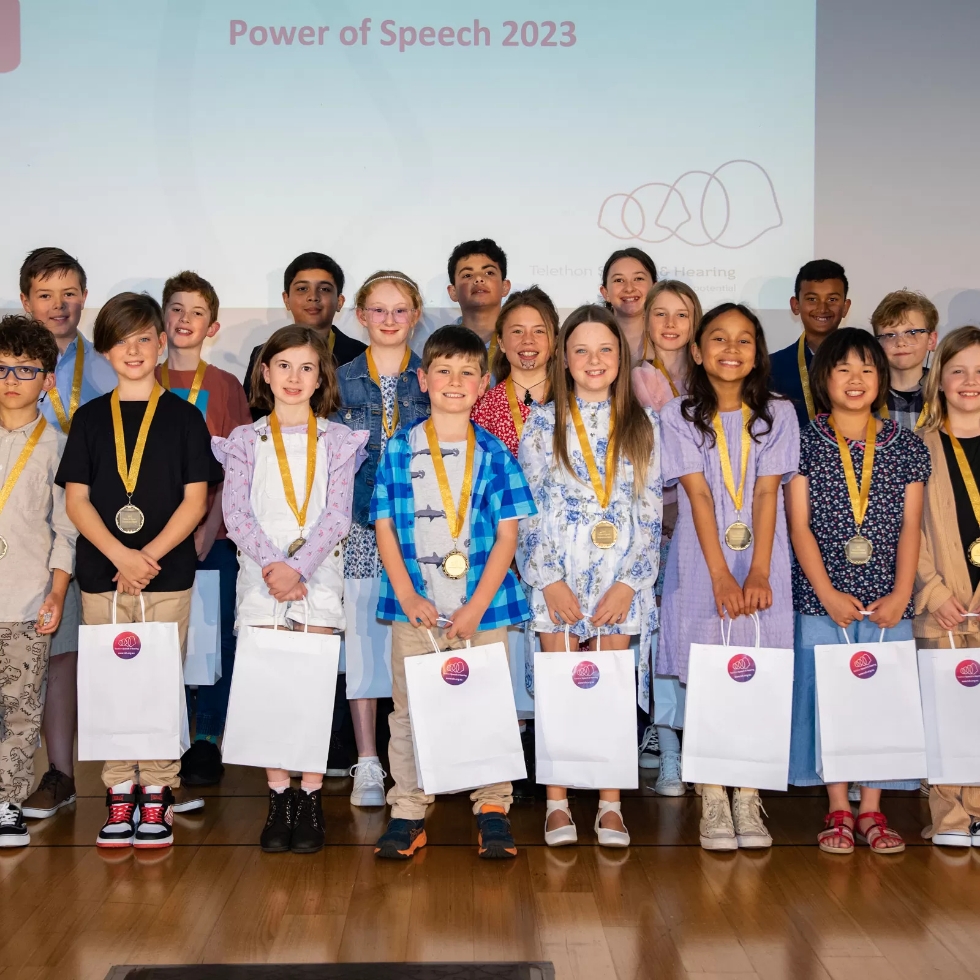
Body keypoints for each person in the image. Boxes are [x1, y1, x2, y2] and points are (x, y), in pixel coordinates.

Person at [56, 292, 221, 849]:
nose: (133, 349)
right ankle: (118, 790)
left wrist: (146, 556)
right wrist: (121, 557)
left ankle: (158, 791)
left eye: (145, 338)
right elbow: (77, 501)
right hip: (103, 574)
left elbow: (195, 500)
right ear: (104, 348)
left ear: (160, 345)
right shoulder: (88, 419)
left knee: (156, 682)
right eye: (121, 339)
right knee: (110, 684)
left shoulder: (184, 416)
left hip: (166, 575)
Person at [370, 325, 535, 860]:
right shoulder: (400, 447)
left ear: (485, 382)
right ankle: (409, 810)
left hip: (482, 612)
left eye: (468, 372)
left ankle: (492, 807)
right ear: (423, 379)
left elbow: (508, 534)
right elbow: (386, 527)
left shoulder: (496, 453)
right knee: (408, 711)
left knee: (487, 706)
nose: (456, 381)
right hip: (413, 609)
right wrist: (408, 594)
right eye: (444, 370)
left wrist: (476, 606)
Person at [215, 326, 368, 854]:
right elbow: (235, 514)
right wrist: (274, 567)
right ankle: (278, 796)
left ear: (322, 375)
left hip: (317, 581)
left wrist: (298, 568)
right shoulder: (244, 441)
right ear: (265, 372)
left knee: (309, 692)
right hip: (261, 582)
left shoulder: (339, 441)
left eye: (307, 367)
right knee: (269, 692)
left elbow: (338, 515)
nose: (295, 377)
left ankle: (310, 796)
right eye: (284, 366)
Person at [517, 305, 661, 848]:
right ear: (564, 359)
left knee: (610, 696)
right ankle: (557, 802)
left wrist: (628, 584)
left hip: (619, 588)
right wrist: (548, 579)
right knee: (561, 694)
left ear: (620, 358)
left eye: (605, 349)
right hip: (557, 582)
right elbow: (527, 509)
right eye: (581, 350)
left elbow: (649, 513)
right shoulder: (540, 422)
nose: (593, 360)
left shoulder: (642, 425)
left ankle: (609, 801)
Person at [785, 328, 930, 855]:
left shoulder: (907, 446)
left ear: (881, 380)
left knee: (881, 700)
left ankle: (872, 809)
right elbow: (798, 526)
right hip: (823, 600)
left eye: (867, 370)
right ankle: (838, 807)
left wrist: (901, 594)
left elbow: (912, 526)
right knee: (832, 699)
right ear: (823, 379)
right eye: (843, 369)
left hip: (890, 601)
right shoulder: (802, 442)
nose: (856, 379)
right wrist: (824, 593)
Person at [660, 303, 799, 850]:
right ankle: (712, 791)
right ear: (697, 351)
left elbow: (767, 492)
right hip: (701, 561)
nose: (731, 349)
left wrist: (759, 568)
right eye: (718, 338)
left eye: (744, 340)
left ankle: (748, 792)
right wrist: (720, 574)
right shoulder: (680, 413)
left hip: (763, 557)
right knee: (708, 673)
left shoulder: (780, 413)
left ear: (758, 352)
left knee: (754, 672)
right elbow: (696, 494)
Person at [18, 247, 116, 825]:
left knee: (63, 656)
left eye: (71, 292)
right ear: (27, 300)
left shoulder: (107, 364)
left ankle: (60, 774)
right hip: (22, 529)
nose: (60, 305)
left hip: (92, 532)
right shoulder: (9, 364)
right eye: (46, 294)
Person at [334, 272, 430, 808]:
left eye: (400, 310)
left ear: (415, 314)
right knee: (366, 644)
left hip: (424, 531)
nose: (389, 320)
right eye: (378, 310)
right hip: (361, 529)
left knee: (415, 645)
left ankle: (416, 759)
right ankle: (368, 760)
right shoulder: (340, 377)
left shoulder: (432, 376)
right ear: (361, 317)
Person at [156, 271, 252, 787]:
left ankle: (207, 738)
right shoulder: (141, 380)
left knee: (212, 641)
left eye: (195, 311)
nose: (184, 319)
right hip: (152, 542)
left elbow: (235, 470)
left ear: (212, 325)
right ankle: (162, 734)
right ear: (162, 319)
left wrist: (209, 527)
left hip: (210, 538)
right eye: (175, 309)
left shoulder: (225, 386)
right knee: (163, 641)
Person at [0, 316, 76, 848]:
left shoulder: (59, 447)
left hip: (27, 599)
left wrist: (55, 591)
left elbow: (66, 529)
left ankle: (7, 801)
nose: (11, 380)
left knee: (22, 708)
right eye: (2, 369)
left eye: (25, 370)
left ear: (47, 380)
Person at [631, 280, 702, 793]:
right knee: (659, 644)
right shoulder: (636, 378)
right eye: (661, 314)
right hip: (655, 527)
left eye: (683, 314)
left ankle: (704, 745)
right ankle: (668, 749)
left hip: (708, 529)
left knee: (697, 639)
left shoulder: (716, 379)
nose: (672, 323)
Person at [912, 326, 980, 846]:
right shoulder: (920, 448)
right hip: (943, 606)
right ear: (939, 381)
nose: (970, 381)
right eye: (958, 370)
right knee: (945, 714)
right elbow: (907, 531)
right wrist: (933, 591)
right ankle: (950, 815)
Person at [242, 252, 366, 410]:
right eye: (302, 288)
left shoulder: (361, 356)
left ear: (339, 302)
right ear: (286, 300)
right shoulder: (263, 354)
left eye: (324, 289)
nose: (313, 297)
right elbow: (253, 413)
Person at [471, 286, 557, 455]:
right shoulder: (482, 408)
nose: (528, 340)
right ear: (501, 342)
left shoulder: (571, 400)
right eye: (517, 331)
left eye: (539, 331)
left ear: (555, 340)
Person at [769, 259, 851, 427]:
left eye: (833, 299)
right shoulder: (771, 368)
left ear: (845, 307)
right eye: (812, 299)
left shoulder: (865, 365)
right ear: (795, 305)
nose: (822, 308)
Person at [413, 239, 511, 357]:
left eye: (489, 273)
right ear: (453, 292)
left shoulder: (521, 340)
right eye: (467, 275)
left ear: (505, 287)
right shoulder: (437, 345)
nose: (479, 279)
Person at [870, 289, 939, 430]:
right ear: (877, 344)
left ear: (931, 340)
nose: (901, 342)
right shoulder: (865, 394)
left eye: (912, 332)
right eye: (889, 335)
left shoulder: (946, 393)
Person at [599, 248, 658, 364]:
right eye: (619, 280)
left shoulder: (668, 336)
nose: (629, 288)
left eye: (638, 279)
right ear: (605, 293)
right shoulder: (593, 337)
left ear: (655, 288)